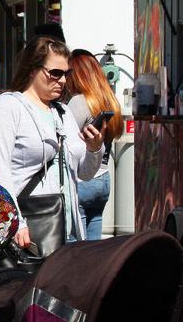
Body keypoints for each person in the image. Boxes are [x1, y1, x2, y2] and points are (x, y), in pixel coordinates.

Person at [0, 37, 102, 254]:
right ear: (32, 70)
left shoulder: (63, 112)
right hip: (28, 231)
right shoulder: (8, 107)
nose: (62, 80)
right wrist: (15, 222)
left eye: (66, 74)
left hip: (68, 231)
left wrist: (94, 148)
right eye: (55, 73)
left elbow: (84, 174)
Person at [65, 48, 124, 240]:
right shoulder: (109, 101)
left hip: (83, 179)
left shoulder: (79, 102)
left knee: (76, 245)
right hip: (103, 179)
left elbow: (66, 139)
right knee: (94, 246)